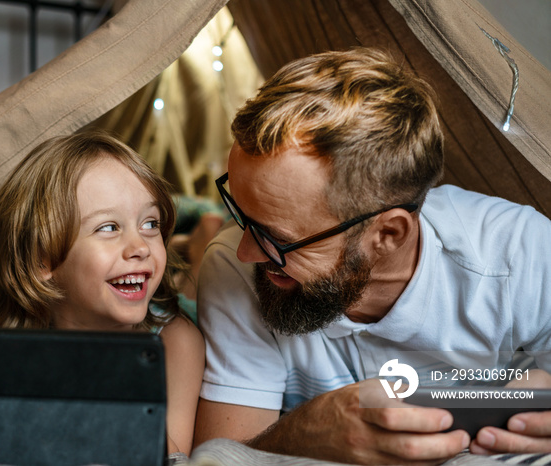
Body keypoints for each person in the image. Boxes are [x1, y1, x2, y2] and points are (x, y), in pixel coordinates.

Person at [192, 47, 551, 464]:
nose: (246, 250)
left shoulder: (522, 254)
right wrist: (305, 432)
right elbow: (223, 458)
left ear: (387, 233)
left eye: (277, 237)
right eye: (242, 214)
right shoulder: (233, 269)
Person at [0, 130, 205, 456]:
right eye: (109, 227)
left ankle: (203, 236)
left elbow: (173, 454)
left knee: (199, 276)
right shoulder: (13, 347)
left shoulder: (176, 341)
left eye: (150, 223)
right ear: (43, 259)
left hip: (175, 301)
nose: (139, 246)